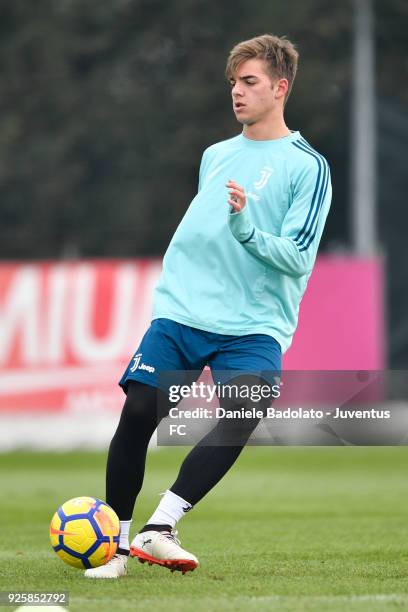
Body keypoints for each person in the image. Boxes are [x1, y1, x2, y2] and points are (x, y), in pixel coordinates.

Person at [85, 33, 332, 579]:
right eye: (233, 83)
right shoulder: (216, 155)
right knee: (139, 414)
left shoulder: (307, 166)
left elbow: (296, 257)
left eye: (249, 82)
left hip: (253, 325)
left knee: (245, 411)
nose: (237, 93)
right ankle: (117, 550)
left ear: (280, 88)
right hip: (182, 312)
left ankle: (161, 526)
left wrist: (246, 230)